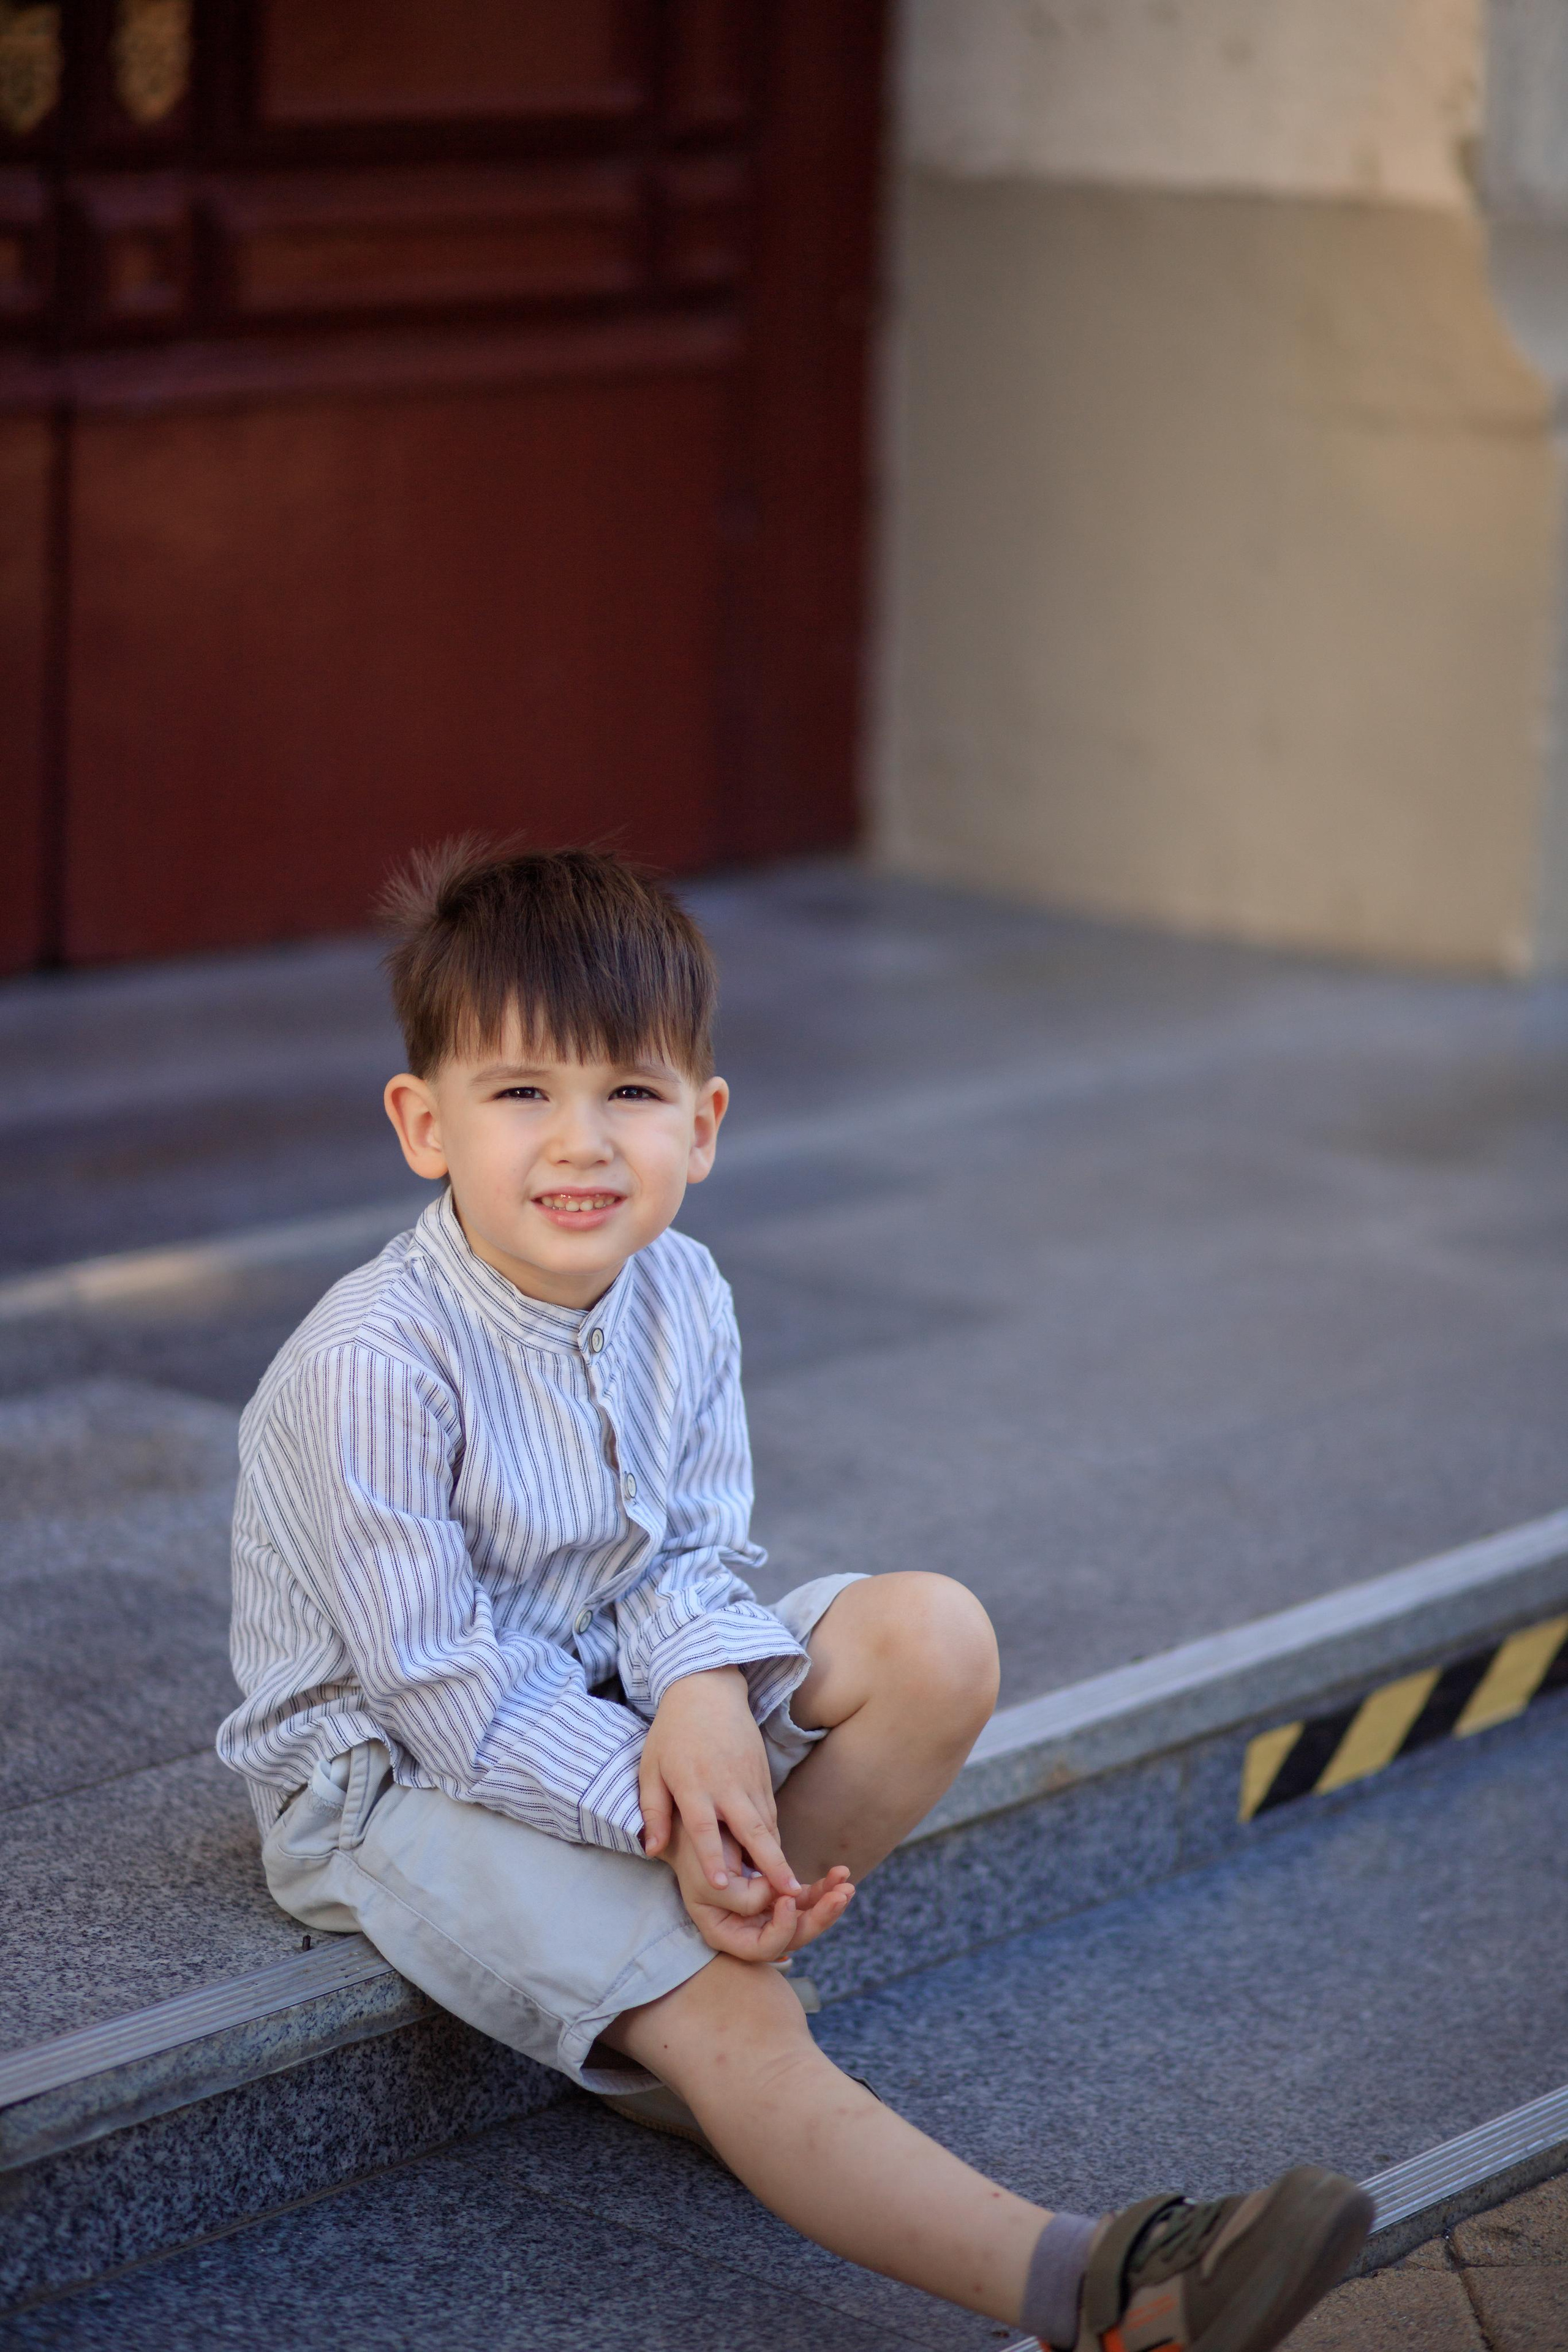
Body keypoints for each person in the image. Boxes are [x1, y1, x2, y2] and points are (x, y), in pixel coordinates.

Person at [217, 842, 1371, 2351]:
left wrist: (697, 1694)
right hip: (386, 1772)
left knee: (930, 1638)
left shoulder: (683, 1291)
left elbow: (688, 1553)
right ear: (422, 1125)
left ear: (701, 1125)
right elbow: (442, 1691)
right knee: (730, 2010)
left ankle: (706, 1954)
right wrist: (668, 1806)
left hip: (602, 1689)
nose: (581, 1144)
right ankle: (1099, 2285)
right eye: (520, 1094)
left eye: (629, 1092)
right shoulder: (373, 1362)